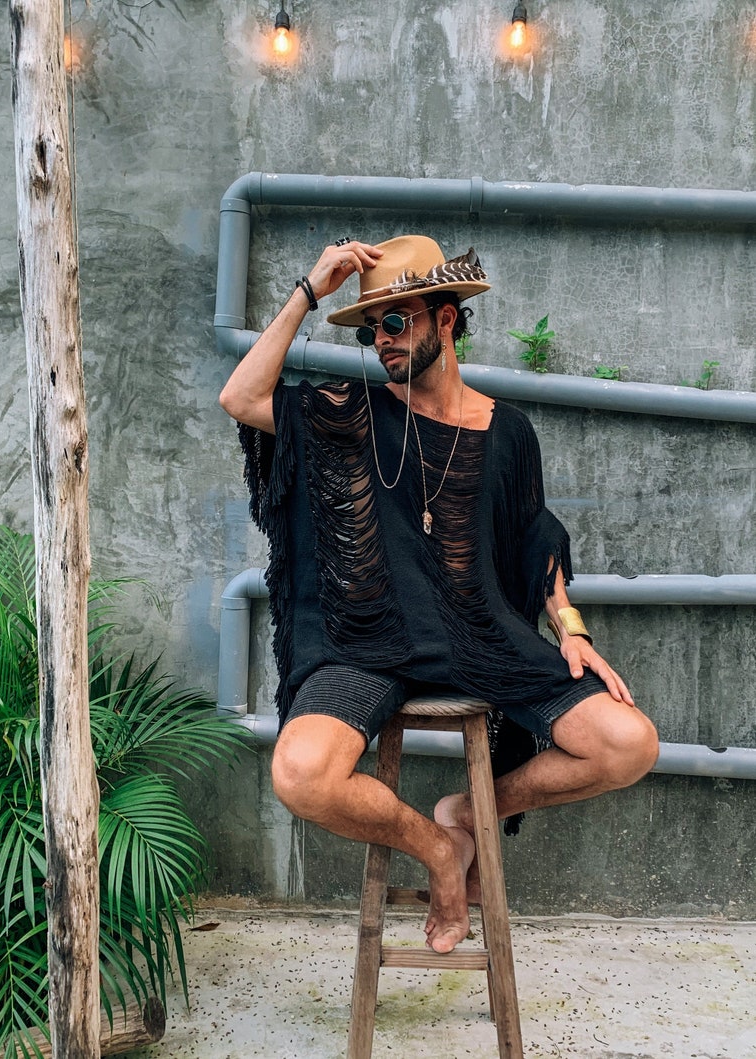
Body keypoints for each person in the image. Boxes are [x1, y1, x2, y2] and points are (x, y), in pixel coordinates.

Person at [219, 235, 659, 955]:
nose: (382, 340)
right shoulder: (350, 416)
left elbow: (533, 536)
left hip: (480, 639)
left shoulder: (509, 432)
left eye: (397, 322)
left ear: (446, 321)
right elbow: (241, 396)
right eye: (371, 328)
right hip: (365, 643)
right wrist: (310, 290)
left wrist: (571, 627)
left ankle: (468, 808)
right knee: (299, 773)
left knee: (629, 743)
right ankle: (439, 846)